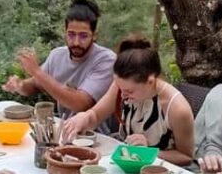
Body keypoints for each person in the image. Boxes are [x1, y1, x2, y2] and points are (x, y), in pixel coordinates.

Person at [61, 36, 194, 166]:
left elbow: (186, 157)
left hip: (160, 171)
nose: (123, 96)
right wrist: (84, 117)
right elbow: (96, 115)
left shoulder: (176, 108)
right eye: (120, 88)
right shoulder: (123, 86)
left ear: (150, 81)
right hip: (126, 163)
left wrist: (148, 152)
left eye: (129, 92)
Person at [2, 0, 116, 127]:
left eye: (83, 36)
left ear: (94, 35)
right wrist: (20, 85)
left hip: (94, 134)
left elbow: (80, 104)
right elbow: (35, 85)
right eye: (71, 34)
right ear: (65, 33)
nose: (76, 42)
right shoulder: (57, 55)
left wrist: (37, 72)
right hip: (63, 129)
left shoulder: (106, 60)